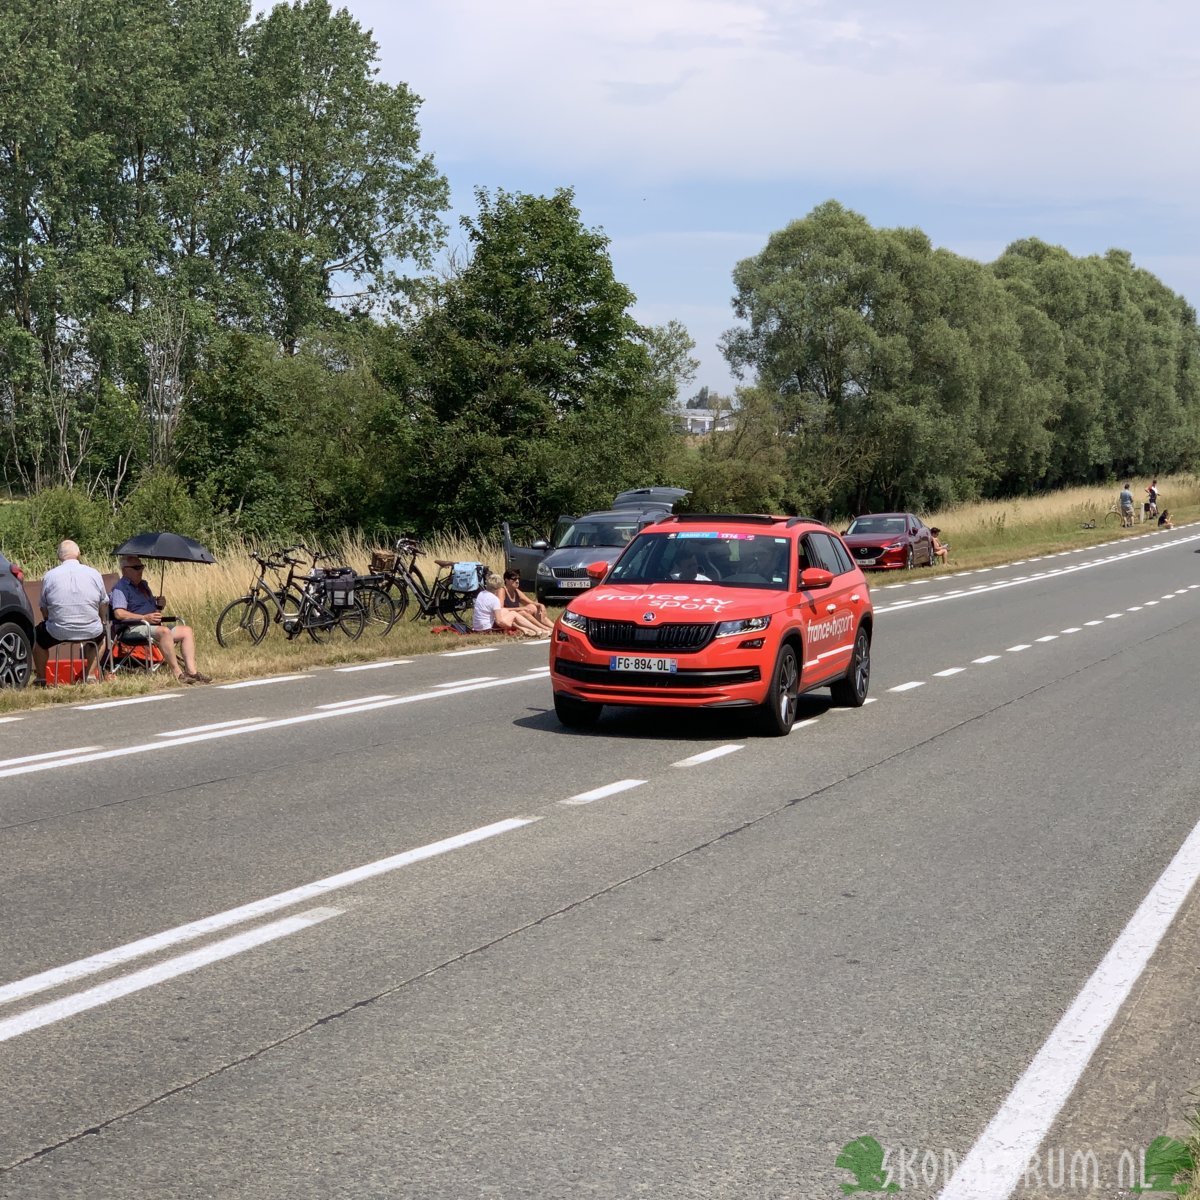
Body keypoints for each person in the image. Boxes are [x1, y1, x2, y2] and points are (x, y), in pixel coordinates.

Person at [110, 555, 211, 683]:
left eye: (141, 567)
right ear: (125, 570)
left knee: (186, 631)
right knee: (164, 632)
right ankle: (177, 673)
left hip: (151, 625)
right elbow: (119, 613)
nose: (140, 570)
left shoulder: (143, 586)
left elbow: (153, 611)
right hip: (131, 628)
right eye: (136, 568)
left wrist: (159, 605)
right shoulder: (121, 588)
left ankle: (192, 671)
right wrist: (144, 617)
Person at [32, 540, 108, 684]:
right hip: (90, 629)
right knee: (101, 638)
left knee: (37, 638)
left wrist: (49, 620)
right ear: (78, 554)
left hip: (58, 630)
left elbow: (43, 607)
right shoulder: (94, 573)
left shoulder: (49, 576)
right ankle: (90, 676)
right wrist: (101, 619)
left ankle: (41, 678)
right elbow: (103, 602)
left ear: (59, 556)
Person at [472, 573, 546, 636]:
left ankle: (527, 630)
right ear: (498, 587)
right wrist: (512, 626)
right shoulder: (494, 600)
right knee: (513, 614)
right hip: (487, 629)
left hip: (477, 627)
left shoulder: (481, 594)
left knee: (504, 611)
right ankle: (538, 630)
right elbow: (499, 622)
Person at [501, 569, 554, 633]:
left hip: (517, 616)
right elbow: (500, 610)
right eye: (514, 579)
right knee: (523, 612)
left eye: (518, 579)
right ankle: (544, 628)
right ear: (506, 580)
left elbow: (530, 602)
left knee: (533, 607)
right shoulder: (502, 591)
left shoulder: (516, 591)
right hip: (508, 619)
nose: (517, 581)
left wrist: (541, 605)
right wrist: (519, 609)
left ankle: (555, 627)